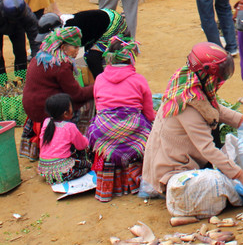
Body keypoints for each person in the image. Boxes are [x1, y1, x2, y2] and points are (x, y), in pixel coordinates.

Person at [142, 43, 243, 196]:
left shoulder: (187, 83)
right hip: (171, 172)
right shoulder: (187, 106)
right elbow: (207, 148)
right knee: (222, 190)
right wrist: (240, 175)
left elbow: (211, 108)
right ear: (207, 74)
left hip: (180, 159)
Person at [87, 36, 155, 202]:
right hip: (133, 129)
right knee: (148, 132)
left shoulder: (100, 79)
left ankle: (109, 185)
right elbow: (149, 113)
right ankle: (136, 177)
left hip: (104, 131)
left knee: (96, 130)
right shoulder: (139, 80)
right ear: (131, 58)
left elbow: (98, 108)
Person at [21, 26, 94, 162]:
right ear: (63, 47)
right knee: (89, 100)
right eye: (74, 48)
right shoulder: (61, 65)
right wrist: (97, 87)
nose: (77, 52)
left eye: (79, 48)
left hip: (31, 106)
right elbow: (77, 95)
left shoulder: (40, 56)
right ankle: (77, 141)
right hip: (43, 110)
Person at [37, 93, 92, 184]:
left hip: (44, 169)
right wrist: (87, 139)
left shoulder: (46, 122)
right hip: (64, 172)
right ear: (65, 113)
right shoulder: (69, 127)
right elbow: (81, 145)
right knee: (87, 164)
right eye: (71, 106)